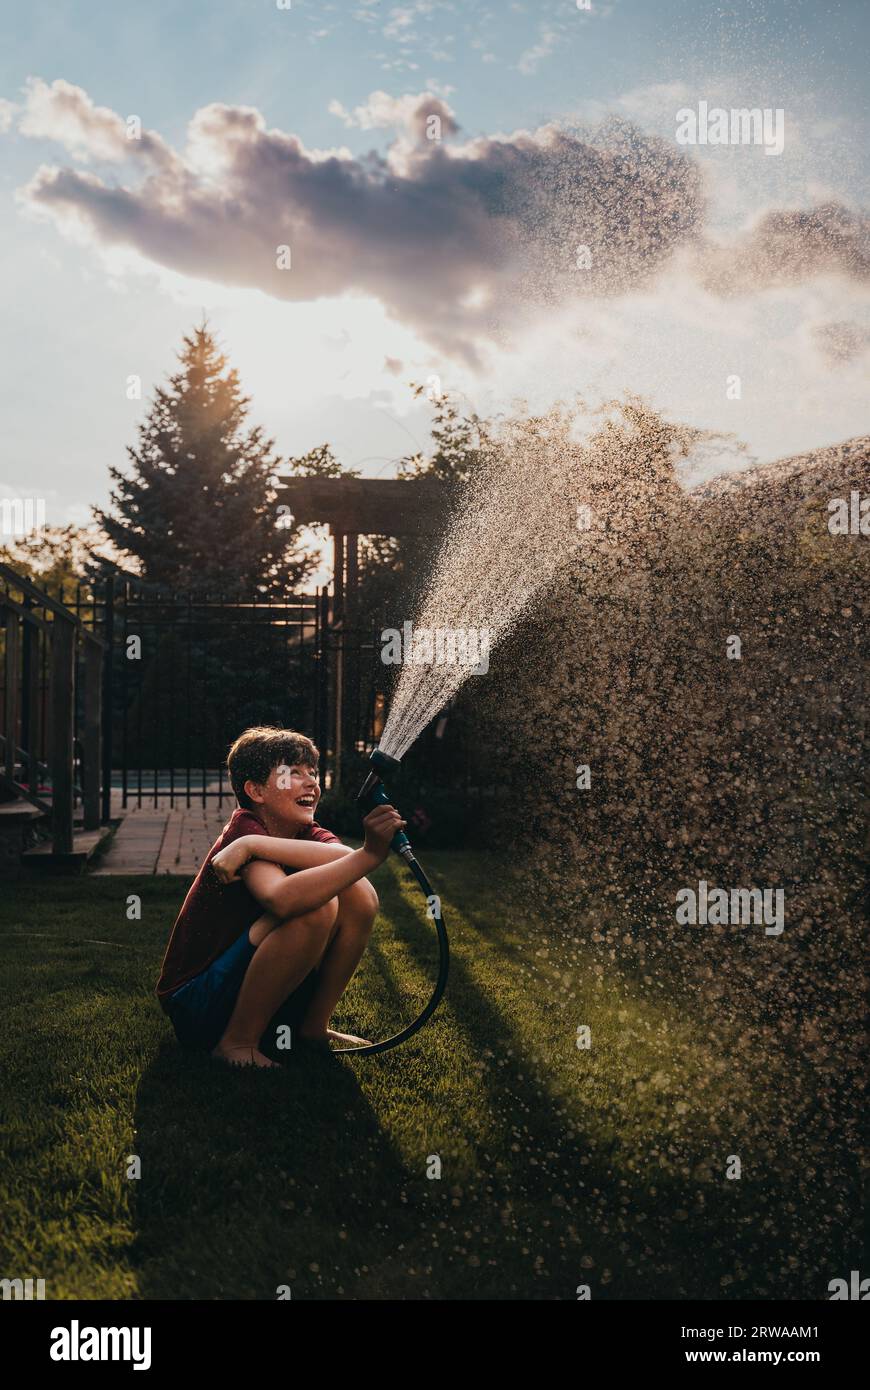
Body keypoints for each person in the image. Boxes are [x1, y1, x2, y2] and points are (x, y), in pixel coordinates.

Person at [155, 726, 405, 1068]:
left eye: (313, 773)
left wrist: (255, 846)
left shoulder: (299, 833)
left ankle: (312, 1028)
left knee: (359, 892)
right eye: (294, 773)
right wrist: (369, 855)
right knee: (314, 906)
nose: (311, 783)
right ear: (255, 791)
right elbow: (280, 899)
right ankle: (236, 1044)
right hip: (197, 1002)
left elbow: (343, 858)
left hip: (238, 988)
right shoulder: (244, 827)